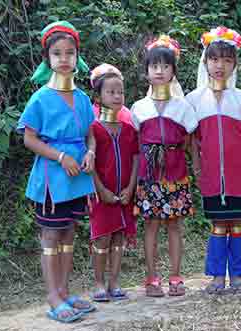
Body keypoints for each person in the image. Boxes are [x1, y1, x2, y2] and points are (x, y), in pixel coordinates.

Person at [17, 21, 96, 322]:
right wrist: (61, 156)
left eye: (70, 53)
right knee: (51, 235)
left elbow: (90, 135)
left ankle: (64, 292)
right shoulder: (40, 98)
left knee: (68, 233)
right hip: (53, 179)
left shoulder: (84, 98)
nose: (64, 59)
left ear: (77, 57)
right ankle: (52, 297)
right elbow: (29, 138)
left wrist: (90, 153)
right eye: (57, 53)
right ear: (47, 59)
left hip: (78, 179)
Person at [186, 26, 241, 294]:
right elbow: (193, 139)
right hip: (212, 173)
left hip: (239, 174)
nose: (220, 65)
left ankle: (237, 276)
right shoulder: (194, 100)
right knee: (217, 224)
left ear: (234, 65)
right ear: (205, 62)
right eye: (214, 59)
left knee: (237, 224)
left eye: (227, 60)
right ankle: (216, 277)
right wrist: (196, 163)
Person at [131, 35, 198, 297]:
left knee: (174, 226)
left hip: (176, 174)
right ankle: (151, 278)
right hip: (149, 178)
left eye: (165, 66)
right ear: (146, 72)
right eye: (154, 66)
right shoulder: (138, 108)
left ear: (173, 71)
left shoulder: (183, 107)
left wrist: (199, 169)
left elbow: (190, 141)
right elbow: (135, 146)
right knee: (151, 226)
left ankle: (176, 277)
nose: (159, 71)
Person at [88, 63, 139, 301]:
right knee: (102, 237)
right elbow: (91, 165)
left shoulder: (129, 129)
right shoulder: (94, 129)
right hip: (103, 195)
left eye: (120, 92)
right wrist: (101, 190)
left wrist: (131, 187)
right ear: (98, 97)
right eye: (111, 92)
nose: (117, 96)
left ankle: (114, 282)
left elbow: (136, 158)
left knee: (119, 236)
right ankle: (98, 283)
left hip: (125, 194)